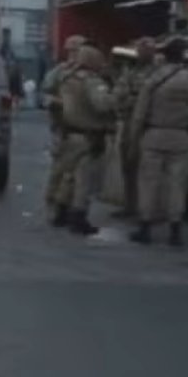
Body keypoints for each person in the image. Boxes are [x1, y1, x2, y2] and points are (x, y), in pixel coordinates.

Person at [129, 38, 188, 246]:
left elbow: (139, 113)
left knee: (148, 182)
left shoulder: (154, 78)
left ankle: (145, 226)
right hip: (181, 137)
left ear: (165, 55)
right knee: (177, 184)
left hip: (154, 134)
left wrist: (133, 138)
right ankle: (175, 229)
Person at [59, 44, 117, 236]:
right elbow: (102, 105)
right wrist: (114, 97)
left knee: (69, 176)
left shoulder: (67, 78)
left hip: (69, 133)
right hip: (89, 136)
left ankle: (61, 211)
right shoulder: (92, 81)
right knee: (85, 180)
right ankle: (79, 218)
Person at [41, 34, 86, 226]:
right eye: (71, 50)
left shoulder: (85, 72)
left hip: (77, 128)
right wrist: (58, 103)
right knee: (60, 171)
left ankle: (67, 206)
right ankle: (56, 205)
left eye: (76, 50)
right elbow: (47, 91)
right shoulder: (62, 71)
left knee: (74, 174)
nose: (73, 54)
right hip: (64, 128)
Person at [112, 37, 157, 218]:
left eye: (145, 49)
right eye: (140, 49)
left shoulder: (159, 73)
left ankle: (146, 209)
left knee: (148, 171)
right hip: (130, 122)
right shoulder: (130, 72)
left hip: (150, 125)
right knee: (128, 166)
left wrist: (131, 99)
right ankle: (130, 205)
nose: (141, 53)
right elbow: (118, 95)